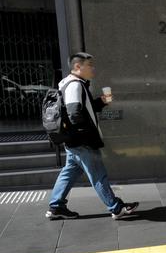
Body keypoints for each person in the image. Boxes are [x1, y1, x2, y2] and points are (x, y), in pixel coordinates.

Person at [45, 52, 139, 220]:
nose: (93, 68)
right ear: (77, 67)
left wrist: (101, 102)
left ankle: (56, 206)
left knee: (69, 172)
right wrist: (87, 138)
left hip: (73, 141)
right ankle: (116, 208)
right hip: (82, 142)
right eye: (90, 65)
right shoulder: (75, 85)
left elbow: (83, 109)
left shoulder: (68, 83)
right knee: (98, 174)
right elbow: (75, 114)